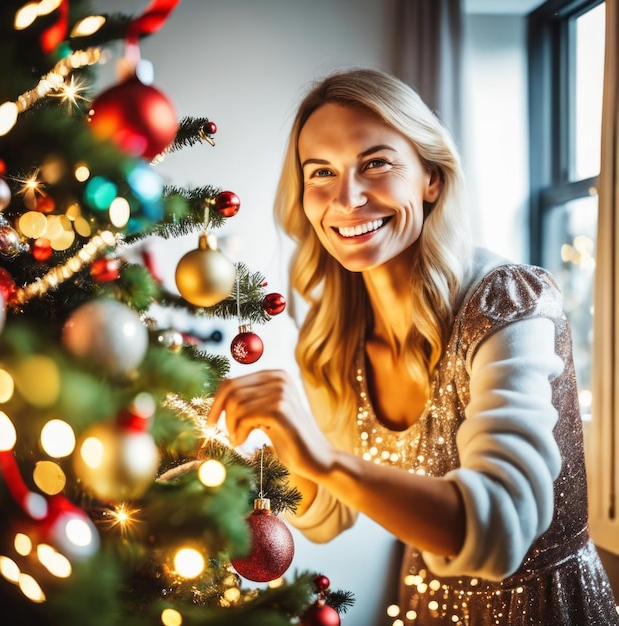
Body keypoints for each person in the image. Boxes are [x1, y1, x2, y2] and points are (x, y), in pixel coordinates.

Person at [207, 68, 619, 625]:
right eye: (321, 172)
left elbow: (499, 533)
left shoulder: (506, 302)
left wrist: (322, 457)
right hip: (424, 607)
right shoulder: (337, 336)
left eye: (375, 164)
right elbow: (325, 513)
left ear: (431, 178)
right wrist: (269, 456)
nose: (347, 198)